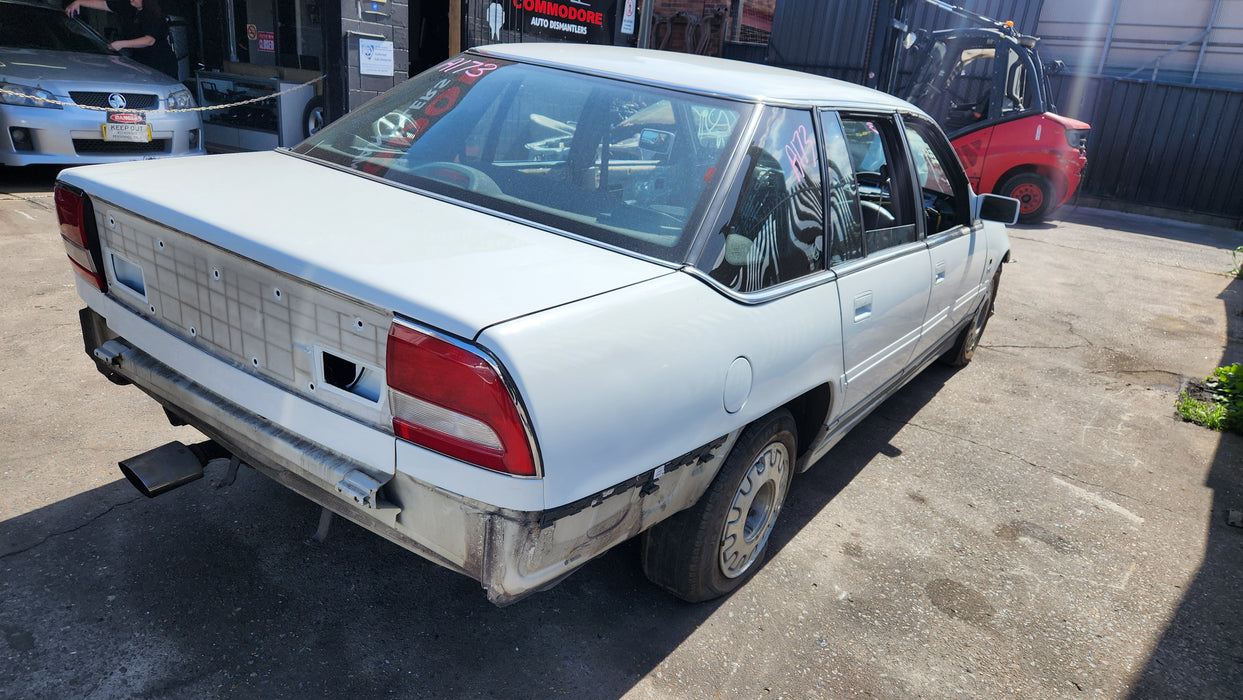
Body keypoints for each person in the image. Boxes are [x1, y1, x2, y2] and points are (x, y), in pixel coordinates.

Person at [65, 0, 178, 79]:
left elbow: (149, 40)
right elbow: (104, 4)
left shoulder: (152, 15)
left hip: (159, 62)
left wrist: (122, 44)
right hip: (140, 61)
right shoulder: (128, 7)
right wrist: (79, 2)